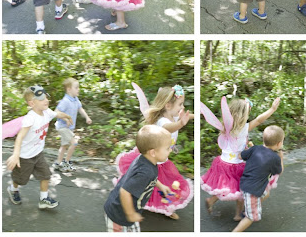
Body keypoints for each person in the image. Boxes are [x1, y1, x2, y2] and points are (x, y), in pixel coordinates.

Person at [116, 85, 194, 220]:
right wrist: (181, 123)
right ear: (168, 106)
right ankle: (129, 203)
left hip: (162, 158)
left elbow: (182, 118)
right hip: (152, 159)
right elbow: (169, 128)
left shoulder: (174, 117)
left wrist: (195, 115)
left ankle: (167, 207)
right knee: (146, 183)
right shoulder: (163, 122)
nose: (182, 107)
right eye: (180, 104)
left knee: (167, 185)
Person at [201, 96, 280, 221]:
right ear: (243, 115)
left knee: (225, 188)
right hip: (236, 165)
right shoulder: (244, 128)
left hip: (223, 163)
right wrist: (272, 109)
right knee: (241, 190)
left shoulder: (225, 127)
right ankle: (238, 214)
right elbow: (259, 120)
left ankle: (211, 201)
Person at [6, 85, 73, 209]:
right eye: (42, 99)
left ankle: (43, 199)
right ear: (32, 103)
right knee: (21, 180)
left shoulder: (47, 112)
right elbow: (20, 137)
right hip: (25, 157)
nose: (46, 100)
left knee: (45, 175)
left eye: (46, 98)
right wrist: (15, 155)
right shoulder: (30, 118)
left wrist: (67, 116)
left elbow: (57, 114)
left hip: (38, 153)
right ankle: (13, 189)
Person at [104, 125, 174, 232]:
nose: (170, 150)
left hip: (127, 209)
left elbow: (150, 178)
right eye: (167, 148)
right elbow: (124, 192)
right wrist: (131, 214)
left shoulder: (145, 160)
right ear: (153, 152)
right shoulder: (145, 172)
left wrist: (161, 186)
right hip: (119, 215)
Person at [232, 125, 284, 232]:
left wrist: (249, 150)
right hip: (253, 190)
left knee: (266, 193)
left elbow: (241, 156)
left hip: (245, 183)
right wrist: (281, 159)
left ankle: (248, 208)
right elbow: (279, 172)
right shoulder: (275, 158)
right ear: (279, 143)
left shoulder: (255, 148)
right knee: (251, 217)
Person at [53, 78, 92, 172]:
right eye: (76, 87)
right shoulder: (65, 101)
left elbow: (80, 109)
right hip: (63, 127)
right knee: (74, 143)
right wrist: (65, 119)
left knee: (64, 145)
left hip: (68, 128)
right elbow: (56, 112)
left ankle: (58, 163)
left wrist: (87, 117)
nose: (78, 89)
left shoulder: (75, 99)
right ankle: (66, 163)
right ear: (69, 89)